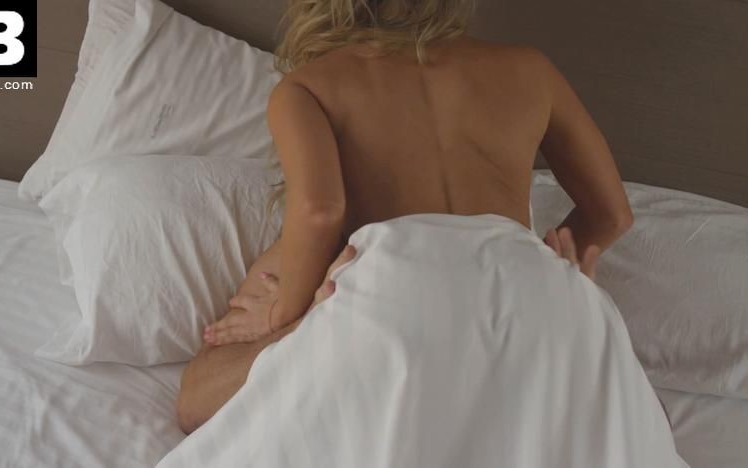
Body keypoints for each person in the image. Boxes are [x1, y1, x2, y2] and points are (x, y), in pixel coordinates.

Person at [176, 0, 632, 434]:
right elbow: (612, 215)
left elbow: (319, 211)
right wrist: (548, 267)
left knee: (203, 400)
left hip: (399, 295)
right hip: (525, 298)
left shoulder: (309, 88)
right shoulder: (532, 69)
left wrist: (287, 318)